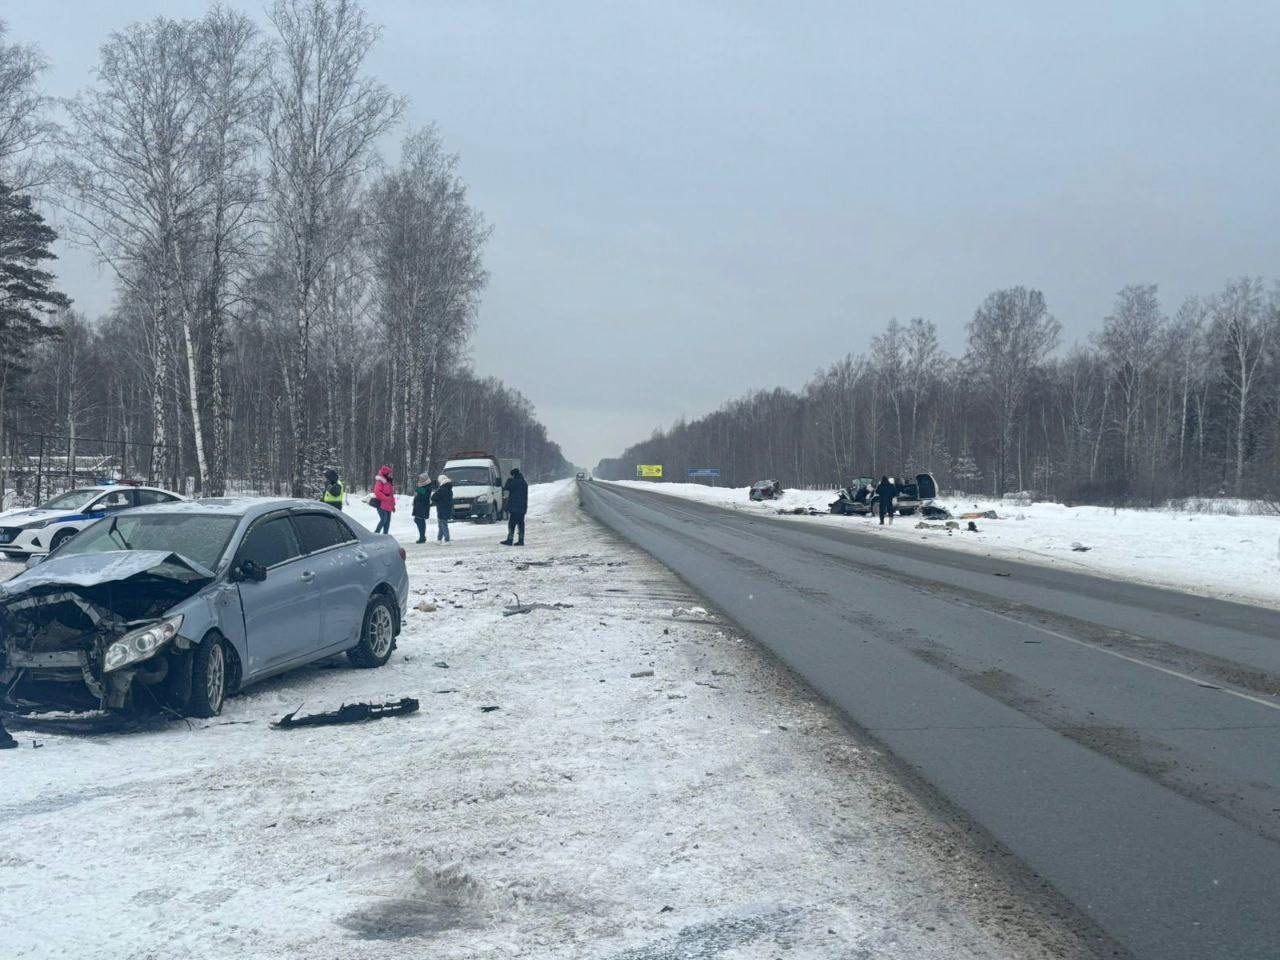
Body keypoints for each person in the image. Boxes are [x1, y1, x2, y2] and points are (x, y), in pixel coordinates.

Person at [500, 467, 529, 546]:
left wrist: (508, 481)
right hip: (522, 507)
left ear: (513, 474)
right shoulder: (524, 482)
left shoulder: (514, 482)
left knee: (512, 523)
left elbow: (507, 488)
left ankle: (510, 539)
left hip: (515, 507)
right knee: (521, 523)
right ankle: (521, 540)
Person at [411, 474, 434, 544]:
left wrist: (417, 493)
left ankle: (422, 537)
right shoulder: (424, 487)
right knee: (419, 520)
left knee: (419, 520)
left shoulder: (426, 487)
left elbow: (423, 497)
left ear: (423, 480)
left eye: (420, 479)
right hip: (419, 506)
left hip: (422, 506)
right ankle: (422, 536)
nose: (419, 480)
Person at [373, 465, 396, 535]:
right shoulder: (380, 481)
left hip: (388, 505)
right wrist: (386, 498)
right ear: (385, 473)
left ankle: (385, 535)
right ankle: (376, 534)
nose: (390, 474)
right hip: (381, 504)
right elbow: (377, 492)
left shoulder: (389, 481)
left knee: (388, 521)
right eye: (389, 473)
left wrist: (393, 505)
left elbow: (391, 494)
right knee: (384, 519)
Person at [431, 474, 454, 543]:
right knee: (441, 525)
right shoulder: (449, 489)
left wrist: (437, 501)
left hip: (441, 509)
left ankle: (447, 540)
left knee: (443, 525)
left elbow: (433, 497)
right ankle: (439, 539)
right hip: (447, 509)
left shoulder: (441, 490)